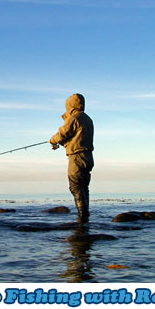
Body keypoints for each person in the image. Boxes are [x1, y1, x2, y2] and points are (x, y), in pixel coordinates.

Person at [49, 93, 94, 223]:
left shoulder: (74, 117)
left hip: (77, 157)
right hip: (88, 157)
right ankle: (85, 216)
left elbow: (63, 133)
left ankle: (82, 217)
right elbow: (77, 137)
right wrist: (62, 144)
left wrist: (53, 140)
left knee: (75, 187)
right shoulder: (87, 119)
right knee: (83, 187)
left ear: (70, 105)